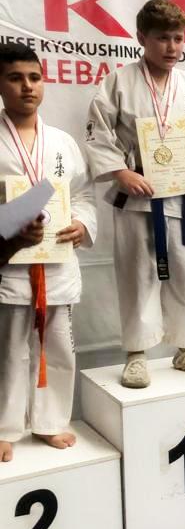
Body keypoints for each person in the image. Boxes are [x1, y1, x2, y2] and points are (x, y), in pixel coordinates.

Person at [85, 0, 185, 388]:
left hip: (183, 194)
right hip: (138, 194)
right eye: (163, 38)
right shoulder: (118, 83)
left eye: (178, 38)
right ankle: (136, 354)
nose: (172, 47)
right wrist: (120, 171)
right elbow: (98, 132)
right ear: (141, 37)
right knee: (137, 274)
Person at [0, 43, 97, 465]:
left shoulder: (62, 142)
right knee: (8, 348)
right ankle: (4, 427)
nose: (27, 87)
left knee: (57, 347)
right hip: (9, 263)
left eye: (34, 78)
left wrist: (82, 223)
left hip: (56, 261)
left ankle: (51, 420)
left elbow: (84, 194)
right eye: (15, 78)